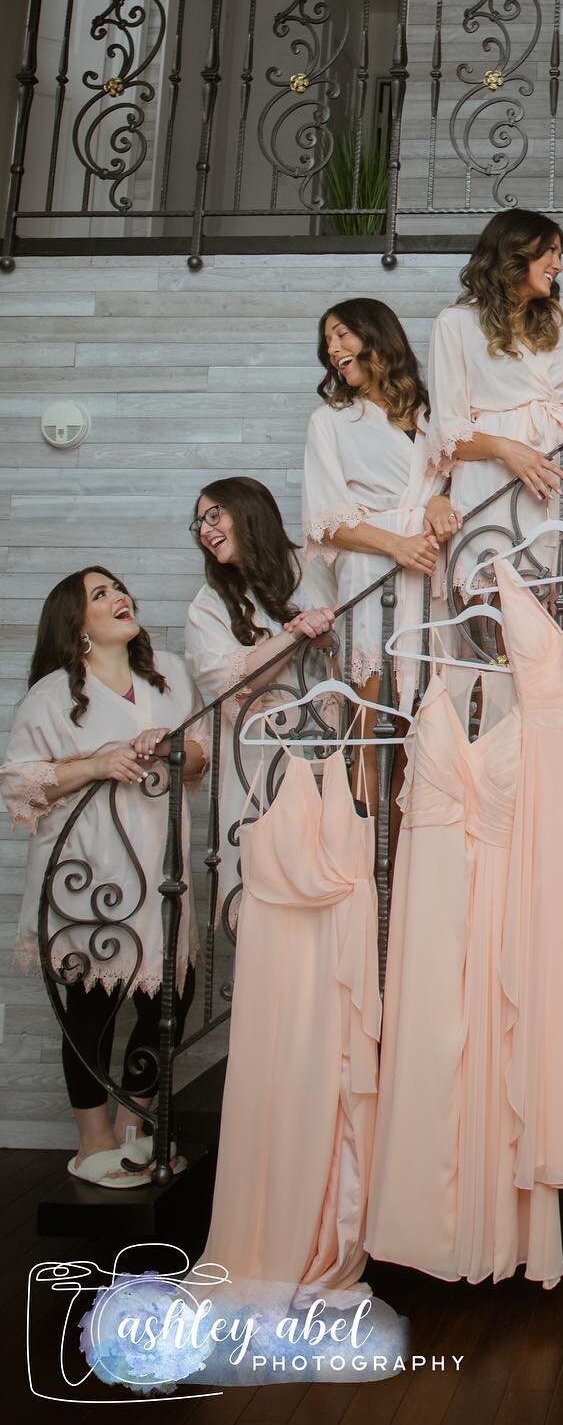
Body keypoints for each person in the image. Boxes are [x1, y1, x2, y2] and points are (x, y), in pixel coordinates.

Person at [1, 568, 206, 1187]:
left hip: (160, 868)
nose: (120, 598)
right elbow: (18, 783)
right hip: (87, 875)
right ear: (76, 622)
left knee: (172, 997)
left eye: (119, 589)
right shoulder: (51, 695)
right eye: (100, 595)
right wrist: (94, 765)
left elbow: (199, 755)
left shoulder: (167, 677)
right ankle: (93, 1143)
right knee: (91, 1009)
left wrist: (172, 747)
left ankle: (136, 1129)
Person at [185, 478, 334, 925]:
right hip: (257, 764)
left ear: (249, 510)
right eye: (199, 523)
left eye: (215, 514)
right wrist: (296, 633)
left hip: (330, 751)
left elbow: (354, 643)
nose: (206, 530)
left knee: (328, 883)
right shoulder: (207, 606)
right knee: (262, 894)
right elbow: (231, 683)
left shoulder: (315, 565)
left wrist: (327, 637)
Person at [427, 210, 563, 604]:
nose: (559, 264)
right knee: (500, 606)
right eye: (549, 251)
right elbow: (447, 433)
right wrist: (507, 449)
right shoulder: (455, 324)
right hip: (492, 481)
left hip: (558, 474)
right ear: (515, 252)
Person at [303, 297, 458, 710]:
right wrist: (396, 545)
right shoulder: (330, 421)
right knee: (374, 727)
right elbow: (327, 522)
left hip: (431, 566)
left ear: (377, 335)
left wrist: (441, 500)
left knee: (426, 726)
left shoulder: (431, 412)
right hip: (374, 572)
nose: (333, 349)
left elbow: (458, 477)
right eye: (327, 343)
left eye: (341, 335)